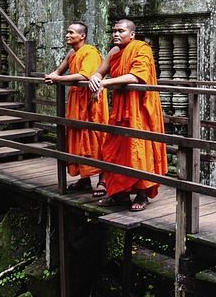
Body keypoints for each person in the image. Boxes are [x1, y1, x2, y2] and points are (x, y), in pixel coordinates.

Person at [88, 18, 167, 211]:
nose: (116, 34)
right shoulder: (114, 52)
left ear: (132, 34)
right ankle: (119, 194)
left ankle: (142, 194)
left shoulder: (142, 49)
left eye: (121, 31)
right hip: (120, 110)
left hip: (140, 109)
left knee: (139, 150)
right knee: (115, 151)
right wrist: (95, 79)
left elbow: (136, 76)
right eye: (114, 31)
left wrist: (105, 83)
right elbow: (99, 72)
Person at [43, 22, 108, 194]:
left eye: (71, 33)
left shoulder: (90, 52)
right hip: (76, 101)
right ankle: (84, 179)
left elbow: (84, 75)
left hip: (91, 102)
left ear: (82, 36)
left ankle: (103, 180)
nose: (67, 35)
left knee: (95, 137)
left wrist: (58, 79)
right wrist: (54, 75)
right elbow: (60, 70)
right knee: (77, 137)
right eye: (67, 32)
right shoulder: (73, 52)